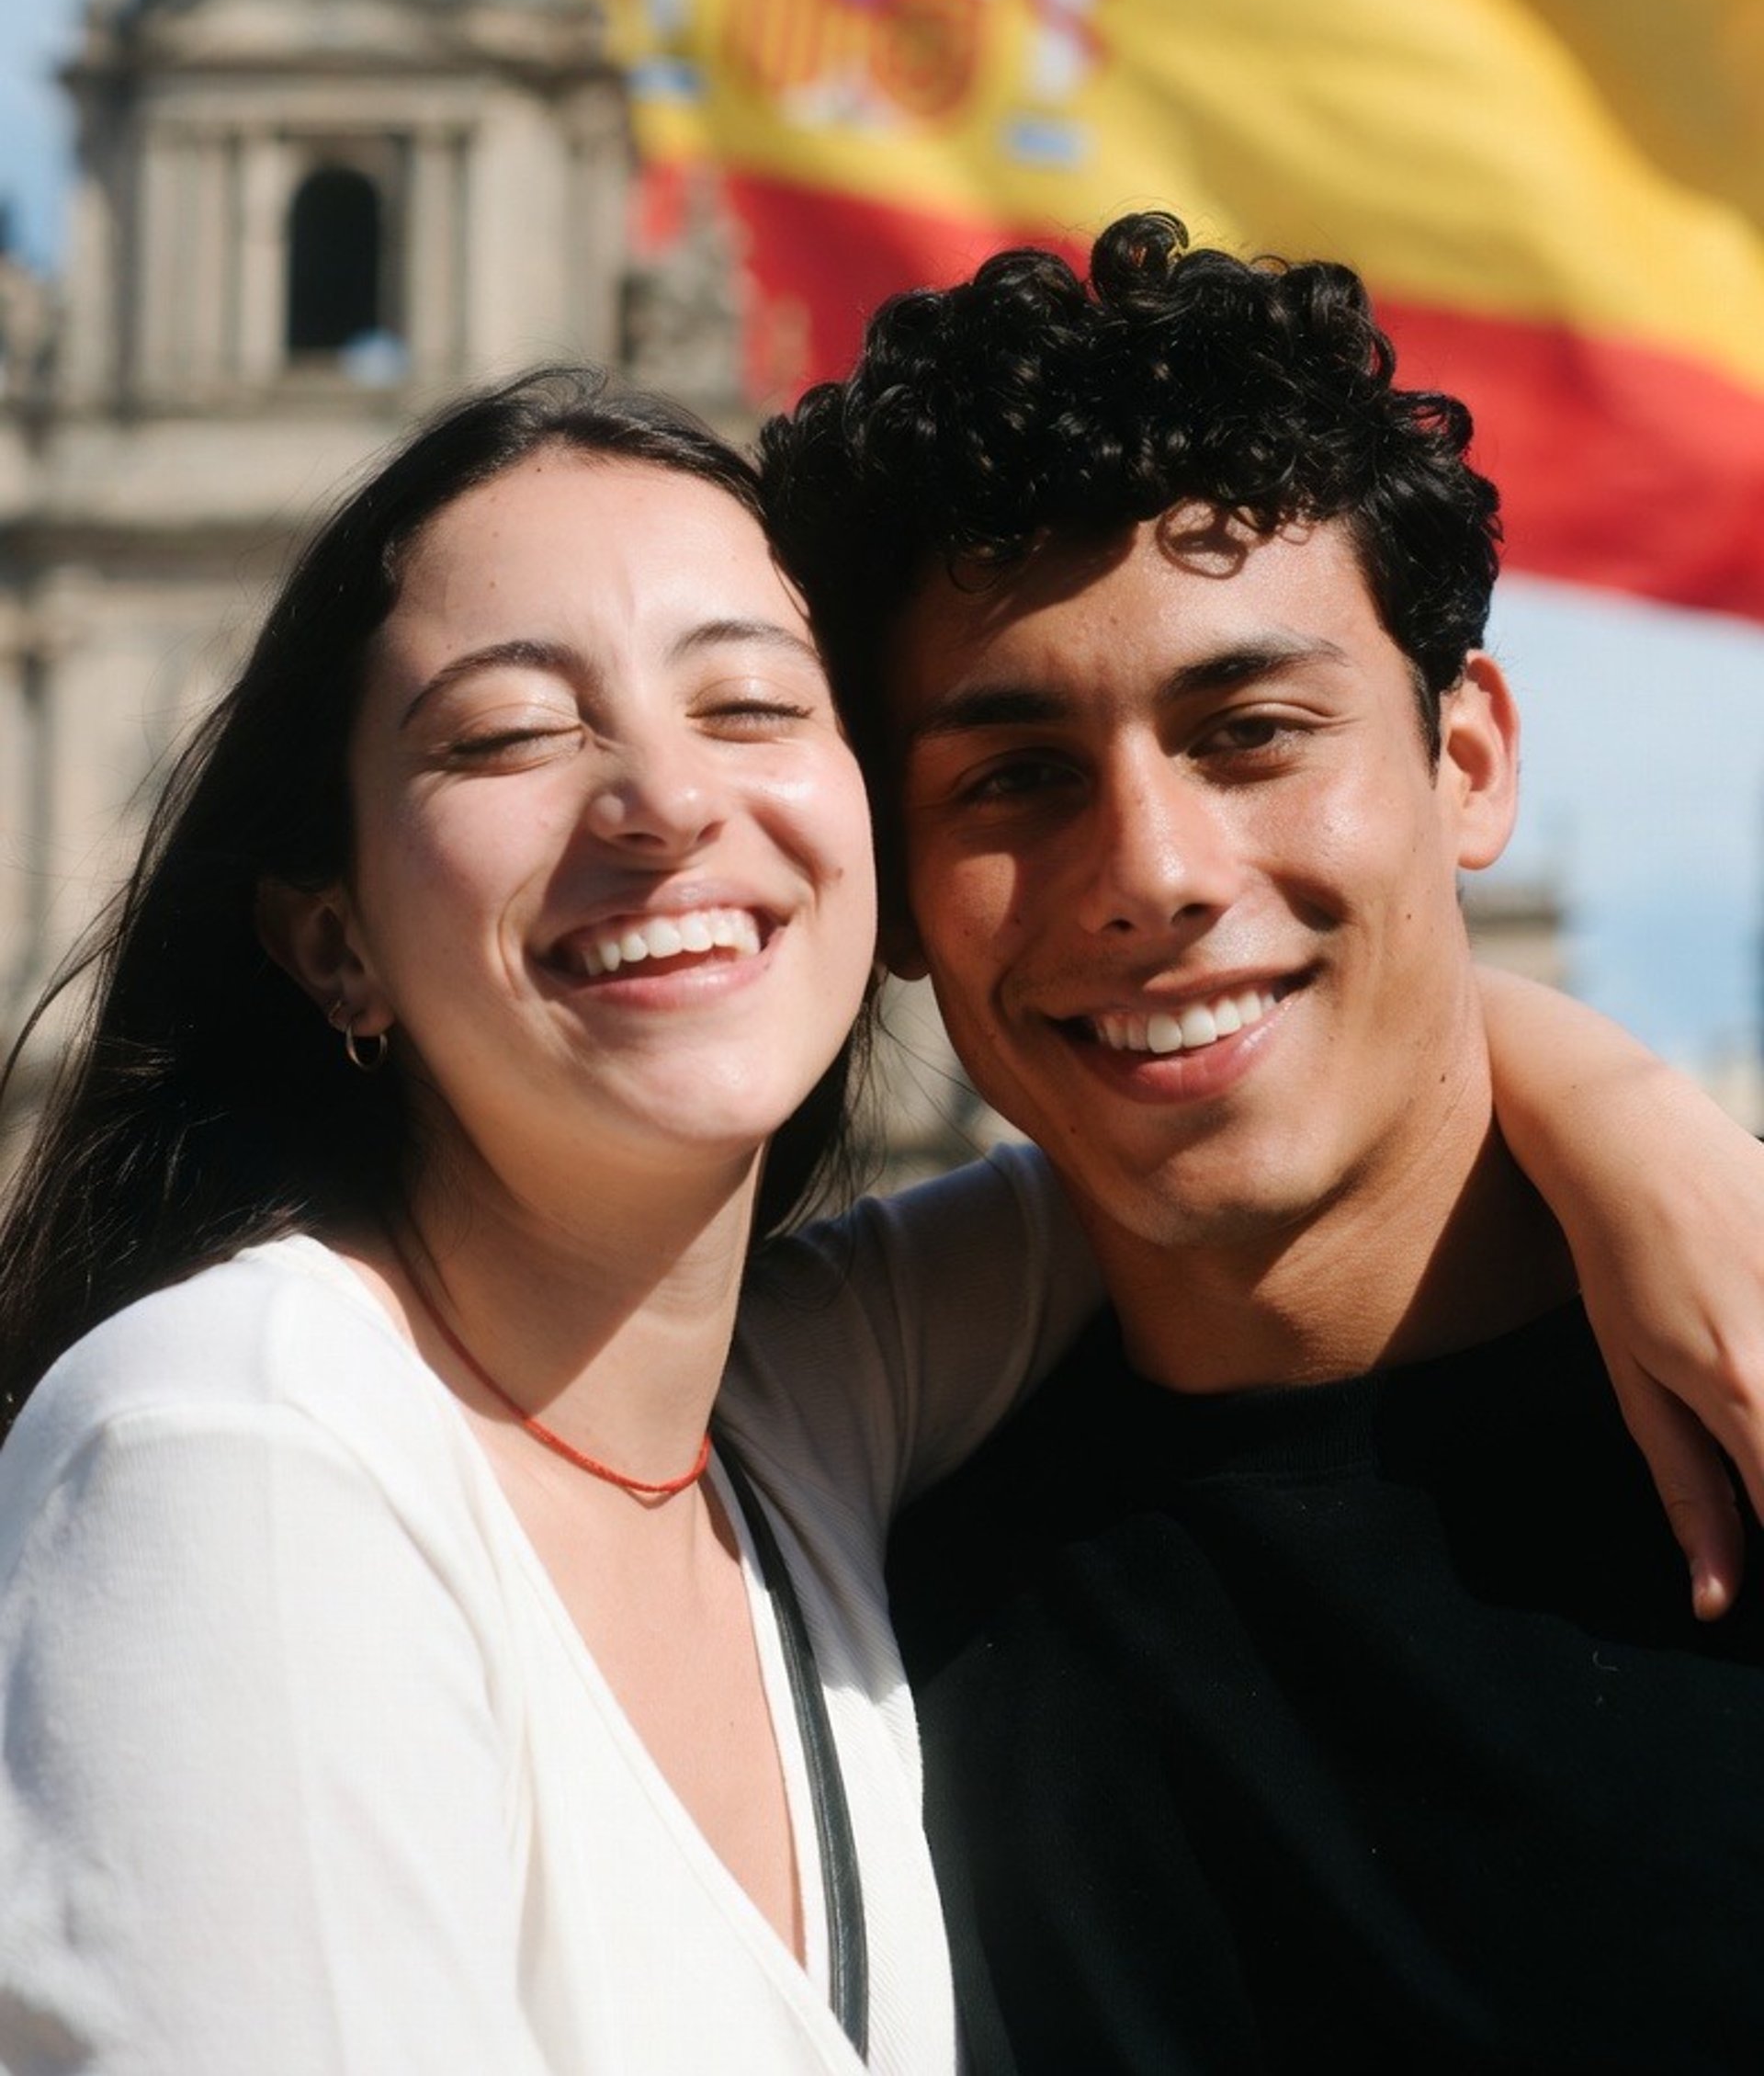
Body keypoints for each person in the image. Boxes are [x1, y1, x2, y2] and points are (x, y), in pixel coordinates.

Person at [0, 360, 1758, 2076]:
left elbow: (1256, 1140)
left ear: (1467, 761)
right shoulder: (243, 1441)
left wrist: (1616, 1106)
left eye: (754, 706)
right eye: (514, 734)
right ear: (332, 937)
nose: (667, 803)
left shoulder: (799, 1409)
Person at [759, 211, 1764, 2075]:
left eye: (1253, 728)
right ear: (899, 886)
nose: (1151, 871)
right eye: (1015, 775)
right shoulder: (837, 1602)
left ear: (1469, 759)